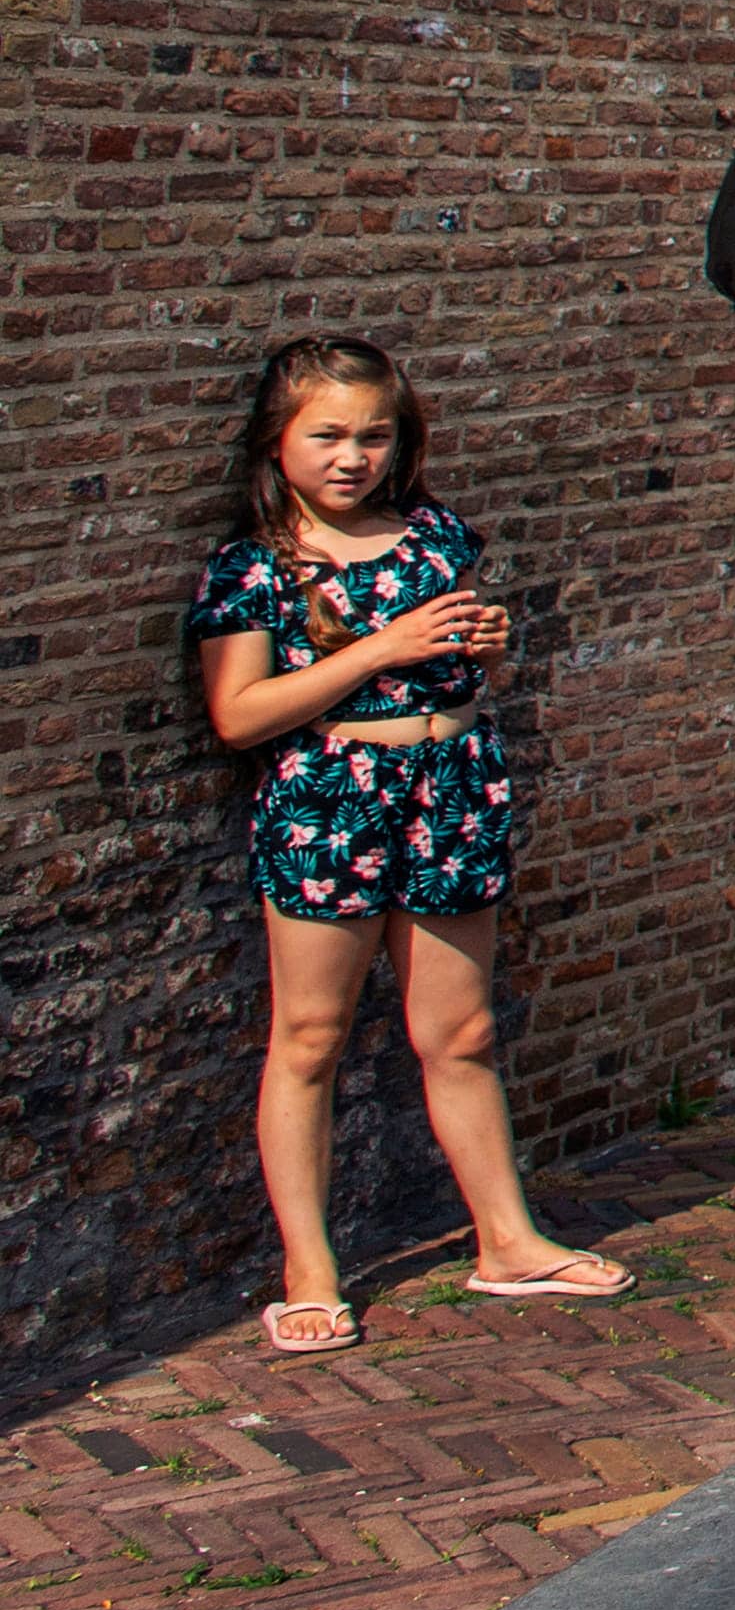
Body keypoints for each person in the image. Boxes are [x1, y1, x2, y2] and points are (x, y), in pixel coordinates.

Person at [186, 334, 631, 1357]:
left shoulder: (430, 532)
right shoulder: (256, 563)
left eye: (374, 434)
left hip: (450, 786)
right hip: (330, 799)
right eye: (329, 434)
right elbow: (239, 712)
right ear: (279, 440)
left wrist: (483, 650)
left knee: (461, 1032)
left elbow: (462, 664)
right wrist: (385, 646)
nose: (354, 456)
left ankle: (508, 1238)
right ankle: (309, 1268)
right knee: (309, 1039)